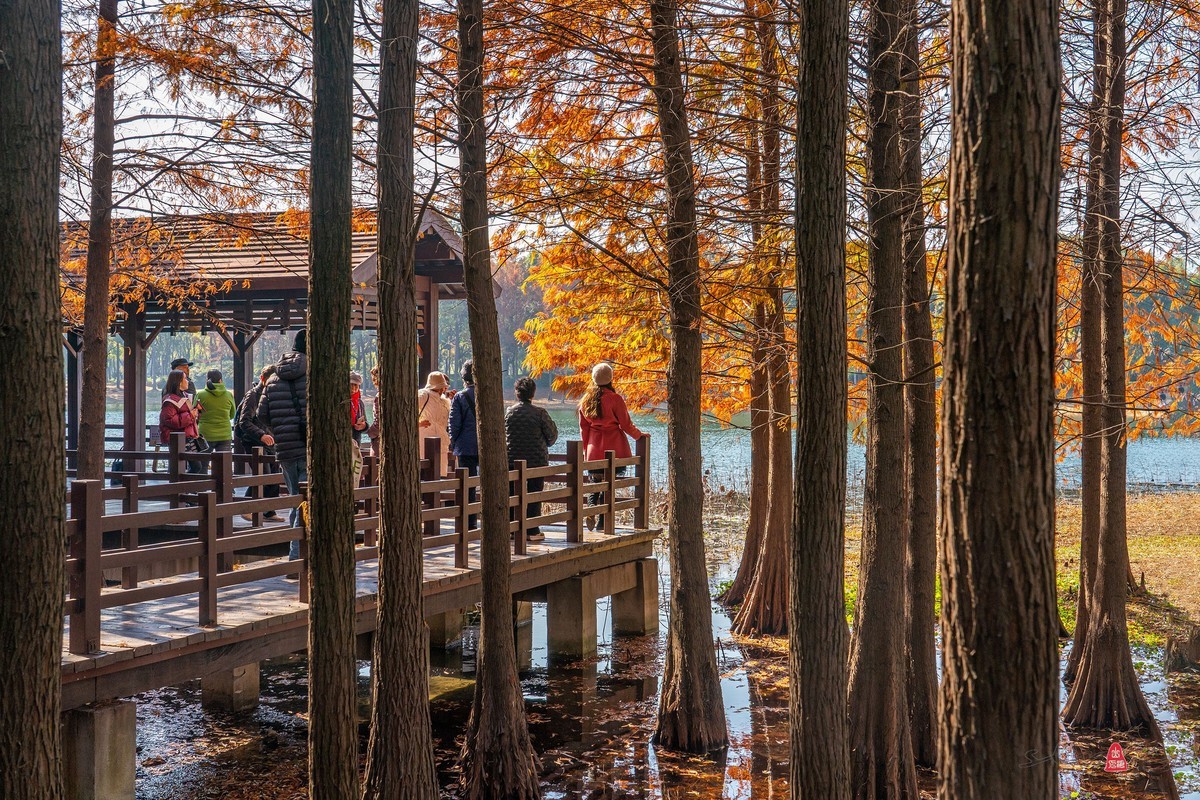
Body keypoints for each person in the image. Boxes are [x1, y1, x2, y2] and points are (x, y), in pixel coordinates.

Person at [257, 329, 308, 557]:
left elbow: (262, 415)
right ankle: (297, 556)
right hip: (307, 446)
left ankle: (295, 554)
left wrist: (279, 429)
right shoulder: (314, 374)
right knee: (305, 501)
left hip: (285, 449)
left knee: (296, 500)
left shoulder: (273, 379)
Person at [578, 362, 647, 531]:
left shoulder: (585, 400)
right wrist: (639, 435)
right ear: (610, 378)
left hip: (594, 446)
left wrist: (586, 450)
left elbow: (584, 428)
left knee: (595, 481)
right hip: (614, 446)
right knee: (609, 485)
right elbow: (625, 424)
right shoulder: (615, 399)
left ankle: (591, 507)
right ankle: (602, 522)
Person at [505, 377, 557, 542]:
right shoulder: (540, 413)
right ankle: (532, 530)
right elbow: (552, 436)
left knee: (512, 493)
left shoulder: (509, 412)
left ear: (517, 393)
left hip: (512, 460)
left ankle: (512, 529)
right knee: (534, 494)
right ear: (533, 394)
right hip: (536, 460)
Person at [235, 365, 280, 519]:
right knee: (262, 475)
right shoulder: (253, 395)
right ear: (262, 378)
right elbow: (244, 421)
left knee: (274, 475)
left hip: (270, 441)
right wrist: (261, 435)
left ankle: (269, 510)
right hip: (254, 441)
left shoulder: (273, 394)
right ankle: (247, 508)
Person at [449, 361, 479, 528]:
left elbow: (454, 424)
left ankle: (469, 522)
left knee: (468, 486)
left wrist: (453, 443)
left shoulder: (460, 397)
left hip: (465, 447)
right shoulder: (489, 394)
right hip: (487, 446)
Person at [159, 369, 204, 475]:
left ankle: (183, 484)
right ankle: (181, 484)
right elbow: (169, 420)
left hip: (187, 436)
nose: (187, 381)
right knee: (189, 467)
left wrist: (196, 412)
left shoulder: (183, 396)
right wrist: (191, 415)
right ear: (178, 382)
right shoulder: (170, 400)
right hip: (178, 438)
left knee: (192, 466)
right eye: (185, 378)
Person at [419, 371, 453, 475]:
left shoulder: (443, 400)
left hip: (441, 441)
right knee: (426, 472)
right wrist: (418, 424)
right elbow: (406, 413)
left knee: (441, 472)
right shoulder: (423, 395)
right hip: (424, 440)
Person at [196, 369, 236, 455]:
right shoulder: (228, 395)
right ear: (220, 380)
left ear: (207, 380)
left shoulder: (200, 395)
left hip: (205, 433)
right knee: (224, 462)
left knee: (203, 462)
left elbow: (195, 414)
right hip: (224, 434)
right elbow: (232, 414)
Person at [350, 371, 371, 446]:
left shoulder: (360, 403)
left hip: (356, 442)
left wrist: (363, 426)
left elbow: (365, 422)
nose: (353, 388)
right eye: (351, 384)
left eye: (356, 385)